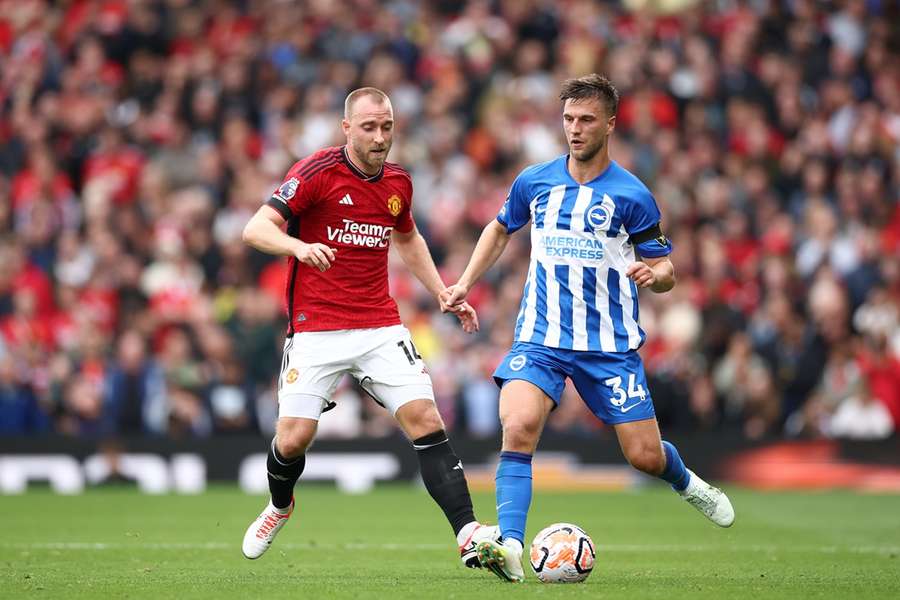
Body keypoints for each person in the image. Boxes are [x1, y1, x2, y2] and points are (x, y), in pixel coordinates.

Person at [442, 74, 735, 582]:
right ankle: (510, 547)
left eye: (586, 120)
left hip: (609, 348)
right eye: (568, 120)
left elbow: (665, 268)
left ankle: (687, 482)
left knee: (644, 456)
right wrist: (465, 281)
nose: (575, 130)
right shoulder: (534, 181)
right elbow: (499, 228)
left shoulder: (633, 195)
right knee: (517, 424)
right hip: (541, 336)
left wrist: (655, 276)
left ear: (610, 124)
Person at [240, 87, 497, 567]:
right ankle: (280, 505)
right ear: (346, 128)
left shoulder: (398, 182)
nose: (380, 137)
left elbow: (408, 237)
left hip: (379, 323)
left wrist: (441, 289)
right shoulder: (316, 172)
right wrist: (298, 248)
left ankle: (468, 534)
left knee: (426, 419)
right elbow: (255, 229)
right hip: (315, 326)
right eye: (369, 127)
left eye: (387, 127)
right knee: (293, 439)